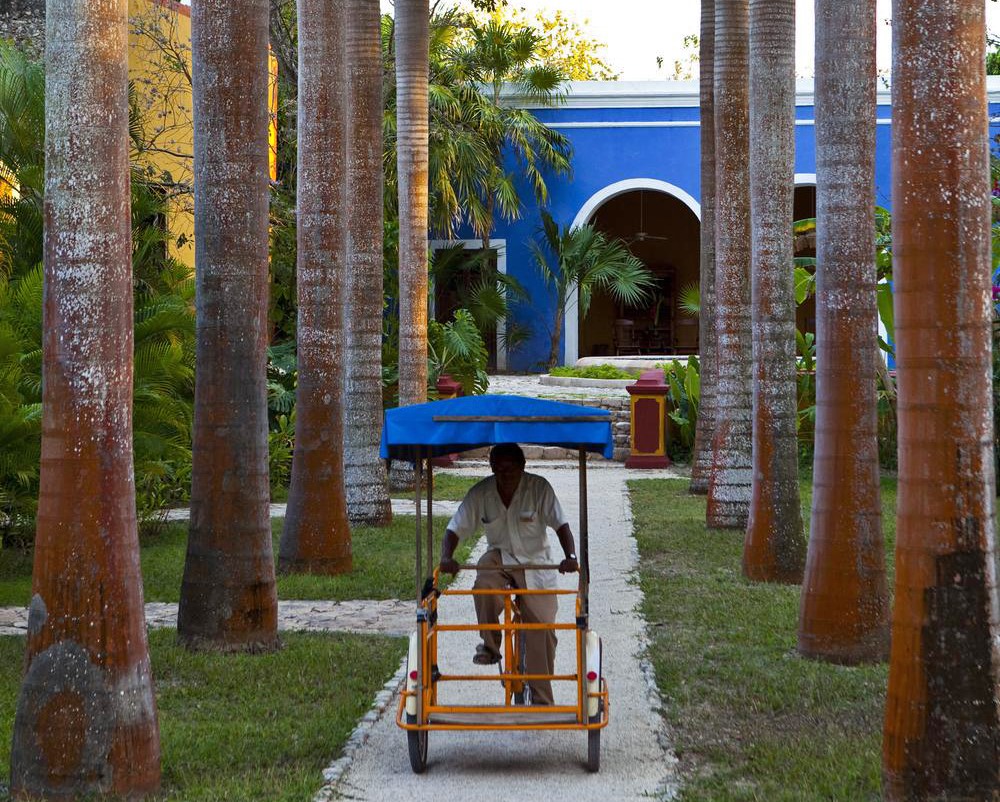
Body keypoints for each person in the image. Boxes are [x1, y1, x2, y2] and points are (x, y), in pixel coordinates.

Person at [439, 443, 578, 705]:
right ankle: (490, 646)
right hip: (500, 556)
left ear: (522, 468)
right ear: (491, 468)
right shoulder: (482, 492)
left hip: (537, 563)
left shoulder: (538, 488)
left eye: (510, 469)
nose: (504, 475)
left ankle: (541, 700)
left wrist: (570, 557)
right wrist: (446, 557)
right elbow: (455, 527)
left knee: (544, 629)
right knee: (483, 584)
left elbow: (561, 524)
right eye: (498, 469)